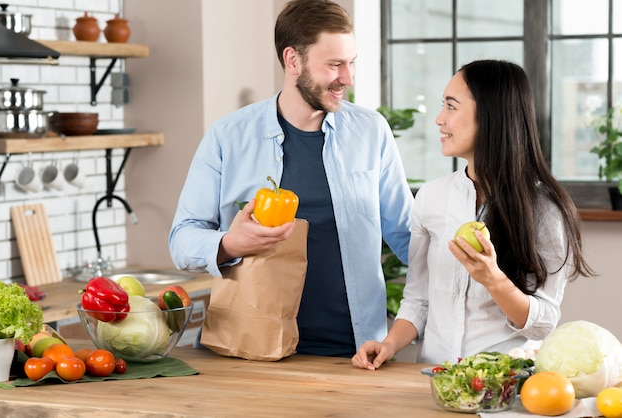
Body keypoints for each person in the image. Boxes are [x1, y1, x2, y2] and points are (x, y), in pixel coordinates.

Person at [169, 0, 414, 358]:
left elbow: (407, 235)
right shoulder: (229, 136)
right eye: (334, 65)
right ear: (293, 60)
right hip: (250, 348)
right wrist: (231, 244)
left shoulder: (370, 131)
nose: (347, 78)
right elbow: (182, 239)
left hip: (356, 351)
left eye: (351, 63)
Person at [352, 59, 595, 369]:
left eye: (451, 107)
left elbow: (543, 322)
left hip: (505, 384)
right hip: (437, 380)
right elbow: (418, 300)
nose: (440, 119)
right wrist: (387, 345)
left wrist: (493, 280)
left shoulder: (545, 210)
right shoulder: (431, 198)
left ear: (491, 116)